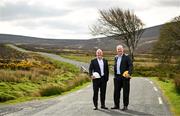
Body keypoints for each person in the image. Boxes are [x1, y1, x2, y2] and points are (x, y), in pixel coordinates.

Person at [111, 45, 133, 111]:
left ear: (123, 50)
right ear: (116, 50)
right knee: (116, 92)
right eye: (118, 50)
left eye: (120, 49)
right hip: (117, 77)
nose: (119, 51)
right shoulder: (115, 57)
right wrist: (114, 75)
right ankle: (116, 105)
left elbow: (130, 66)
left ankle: (125, 106)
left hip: (125, 77)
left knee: (126, 92)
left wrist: (129, 73)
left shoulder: (127, 57)